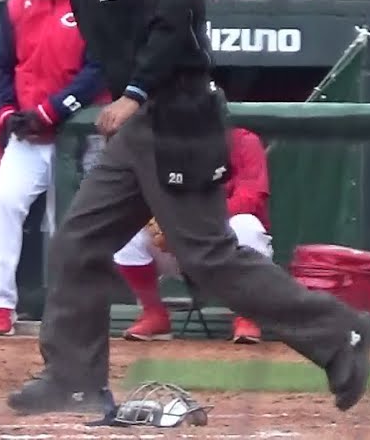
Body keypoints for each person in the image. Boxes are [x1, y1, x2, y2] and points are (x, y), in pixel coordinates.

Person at [0, 0, 370, 417]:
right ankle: (74, 377)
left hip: (179, 113)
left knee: (208, 257)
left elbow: (173, 21)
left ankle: (340, 332)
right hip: (139, 127)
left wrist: (134, 93)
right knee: (78, 243)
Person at [0, 0, 105, 335]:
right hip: (28, 134)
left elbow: (98, 70)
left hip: (77, 133)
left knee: (70, 221)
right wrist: (7, 113)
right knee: (6, 204)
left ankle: (72, 308)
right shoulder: (17, 7)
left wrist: (51, 111)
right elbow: (0, 65)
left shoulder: (90, 5)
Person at [115, 127, 273, 343]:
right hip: (176, 246)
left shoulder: (243, 141)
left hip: (225, 245)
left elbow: (251, 198)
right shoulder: (164, 143)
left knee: (247, 224)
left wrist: (193, 222)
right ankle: (154, 314)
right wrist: (162, 219)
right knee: (127, 228)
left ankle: (247, 316)